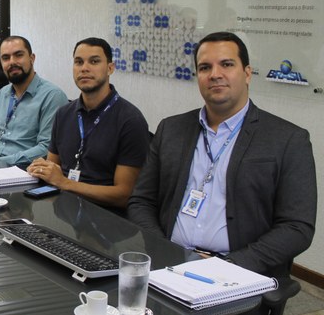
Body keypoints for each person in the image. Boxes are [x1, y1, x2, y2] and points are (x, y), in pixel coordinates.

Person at [128, 32, 316, 278]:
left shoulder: (288, 139)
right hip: (168, 265)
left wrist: (230, 265)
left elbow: (297, 227)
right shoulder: (171, 129)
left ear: (247, 73)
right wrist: (164, 250)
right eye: (205, 67)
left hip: (238, 273)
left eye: (226, 64)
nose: (215, 74)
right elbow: (141, 201)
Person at [27, 37, 149, 211]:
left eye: (94, 61)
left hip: (105, 216)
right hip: (62, 209)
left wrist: (65, 183)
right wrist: (40, 169)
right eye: (78, 62)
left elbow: (125, 195)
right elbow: (53, 167)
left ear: (110, 68)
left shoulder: (130, 120)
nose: (84, 68)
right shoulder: (63, 113)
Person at [0, 36, 68, 168]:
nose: (12, 62)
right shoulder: (3, 93)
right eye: (6, 58)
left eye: (18, 55)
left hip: (28, 172)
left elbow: (46, 148)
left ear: (32, 58)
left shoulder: (52, 96)